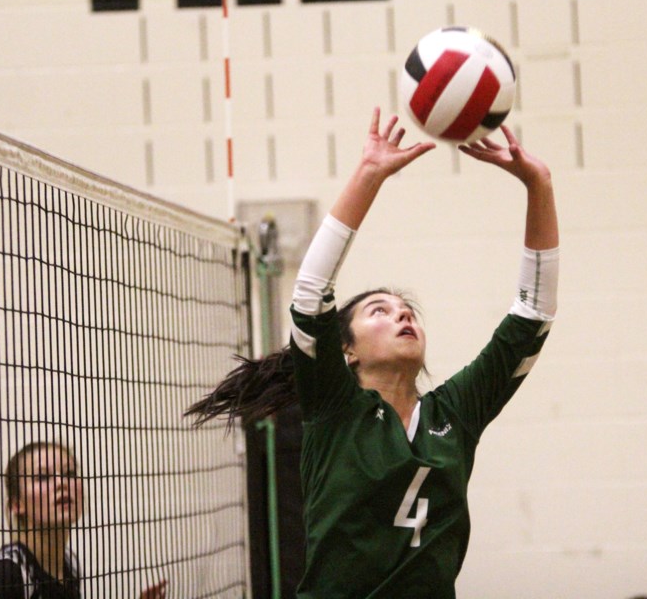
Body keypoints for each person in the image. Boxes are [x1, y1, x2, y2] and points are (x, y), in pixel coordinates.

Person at [187, 107, 559, 598]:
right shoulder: (334, 406)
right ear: (347, 352)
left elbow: (532, 315)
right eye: (379, 311)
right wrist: (369, 174)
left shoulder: (455, 413)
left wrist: (540, 184)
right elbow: (311, 291)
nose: (403, 316)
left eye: (407, 310)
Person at [0, 442, 168, 599]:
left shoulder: (69, 564)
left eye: (69, 473)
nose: (62, 483)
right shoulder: (5, 575)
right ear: (17, 505)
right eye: (43, 477)